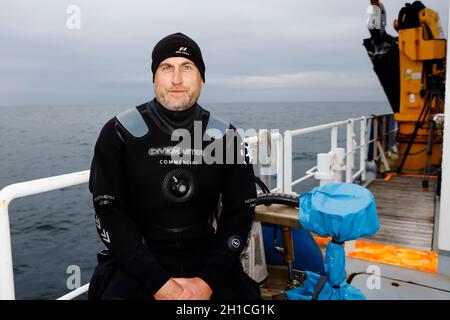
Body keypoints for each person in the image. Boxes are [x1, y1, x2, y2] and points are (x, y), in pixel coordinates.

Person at [87, 32, 261, 300]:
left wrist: (207, 281)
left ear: (202, 78)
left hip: (206, 259)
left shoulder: (224, 136)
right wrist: (158, 283)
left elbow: (240, 212)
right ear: (154, 77)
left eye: (187, 68)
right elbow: (108, 210)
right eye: (167, 68)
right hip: (136, 259)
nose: (177, 79)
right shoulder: (119, 132)